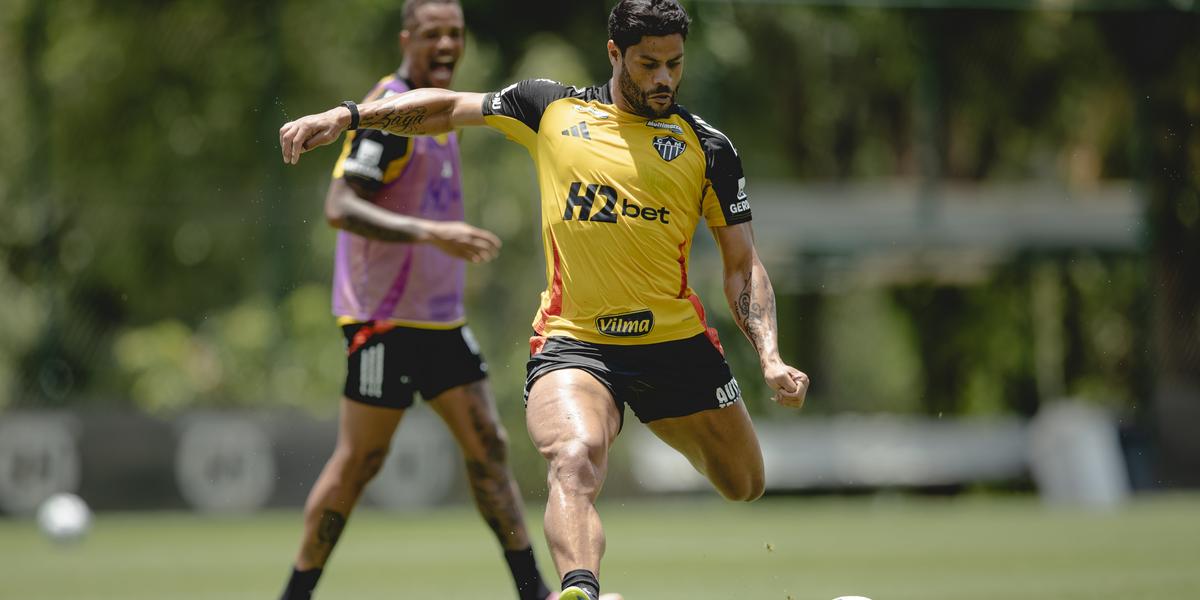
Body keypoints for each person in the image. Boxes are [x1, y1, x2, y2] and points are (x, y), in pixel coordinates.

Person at [278, 1, 809, 598]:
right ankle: (577, 590)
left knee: (745, 483)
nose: (663, 78)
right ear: (615, 55)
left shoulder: (707, 147)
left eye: (675, 64)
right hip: (575, 345)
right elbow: (446, 108)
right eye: (648, 63)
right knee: (573, 458)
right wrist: (349, 117)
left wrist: (769, 355)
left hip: (675, 346)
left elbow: (742, 265)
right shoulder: (550, 108)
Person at [276, 2, 614, 600]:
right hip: (382, 322)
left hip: (439, 323)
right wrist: (434, 233)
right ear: (407, 38)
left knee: (489, 447)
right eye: (432, 33)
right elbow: (341, 207)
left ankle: (533, 591)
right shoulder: (393, 108)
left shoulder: (441, 111)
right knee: (359, 464)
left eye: (455, 33)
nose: (446, 44)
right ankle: (295, 594)